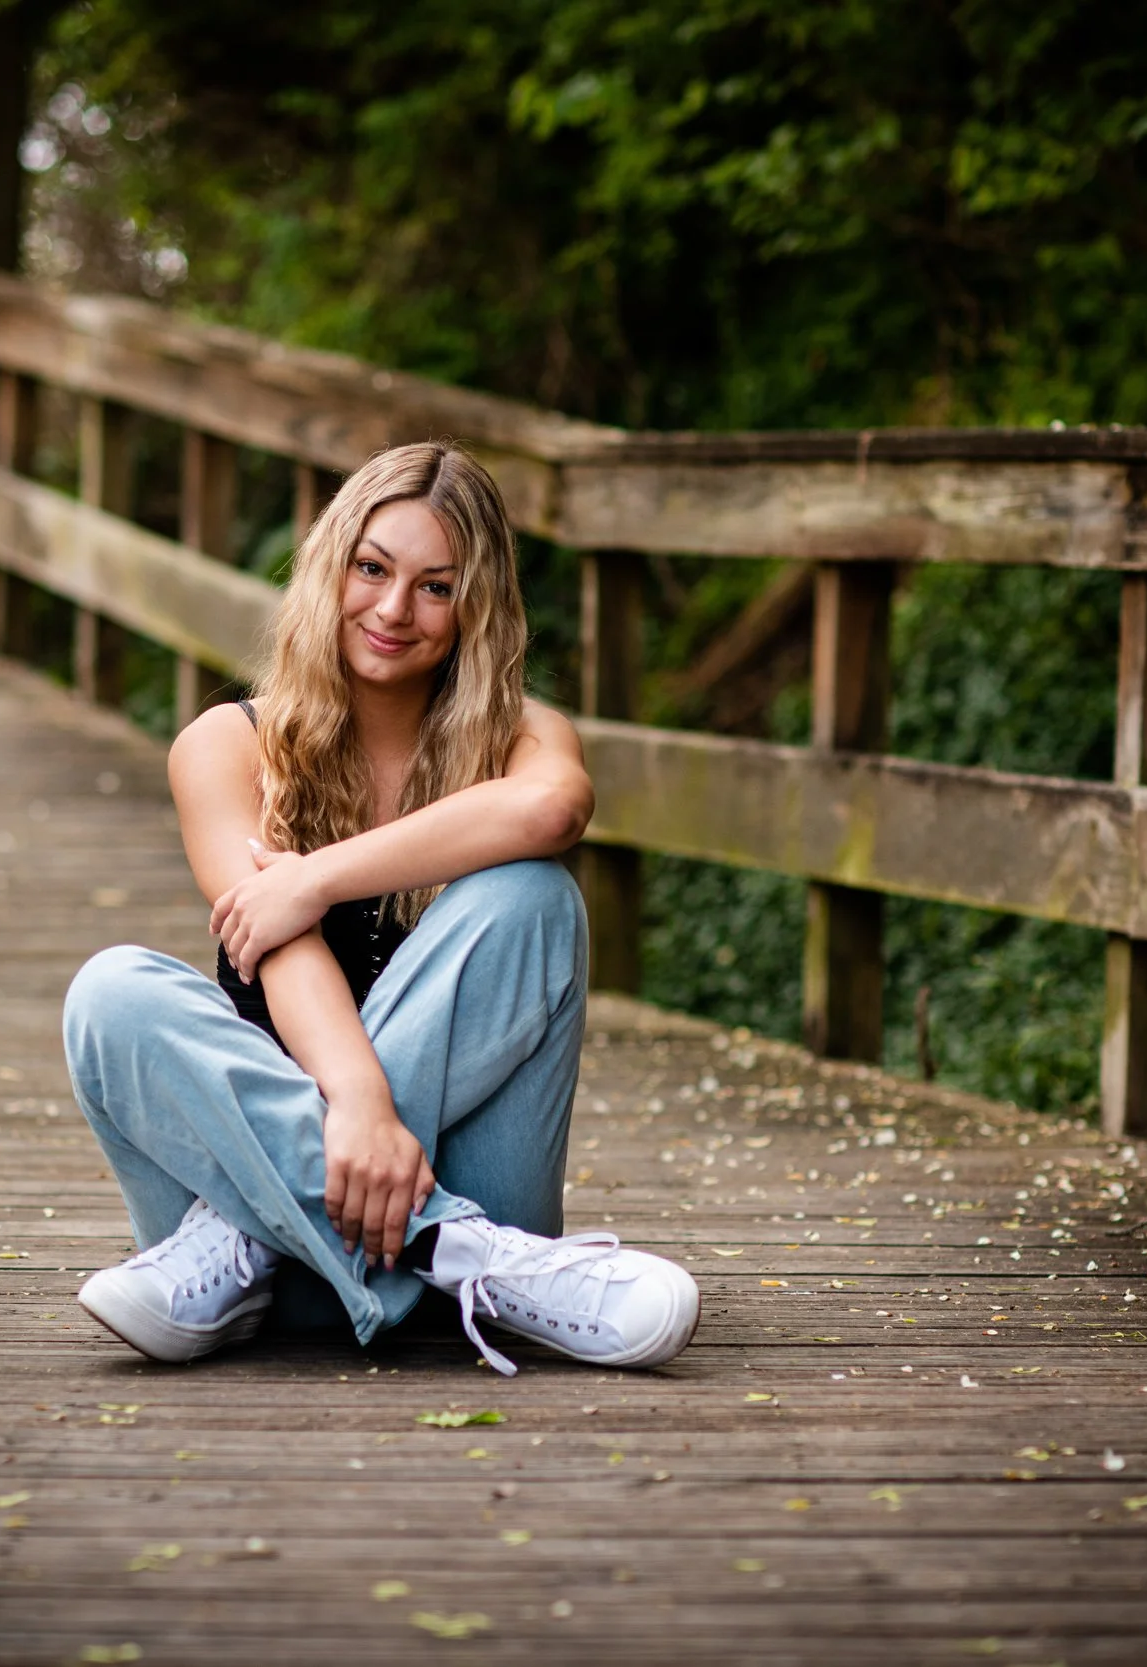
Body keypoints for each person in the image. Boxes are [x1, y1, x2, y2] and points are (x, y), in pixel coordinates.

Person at [62, 441, 700, 1375]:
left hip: (407, 1204)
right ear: (331, 568)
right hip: (281, 1278)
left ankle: (313, 1224)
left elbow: (555, 808)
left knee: (532, 894)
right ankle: (461, 1250)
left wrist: (315, 878)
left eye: (436, 587)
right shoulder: (228, 745)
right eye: (372, 568)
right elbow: (278, 950)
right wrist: (356, 1105)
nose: (394, 609)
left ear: (475, 608)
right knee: (110, 992)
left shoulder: (523, 736)